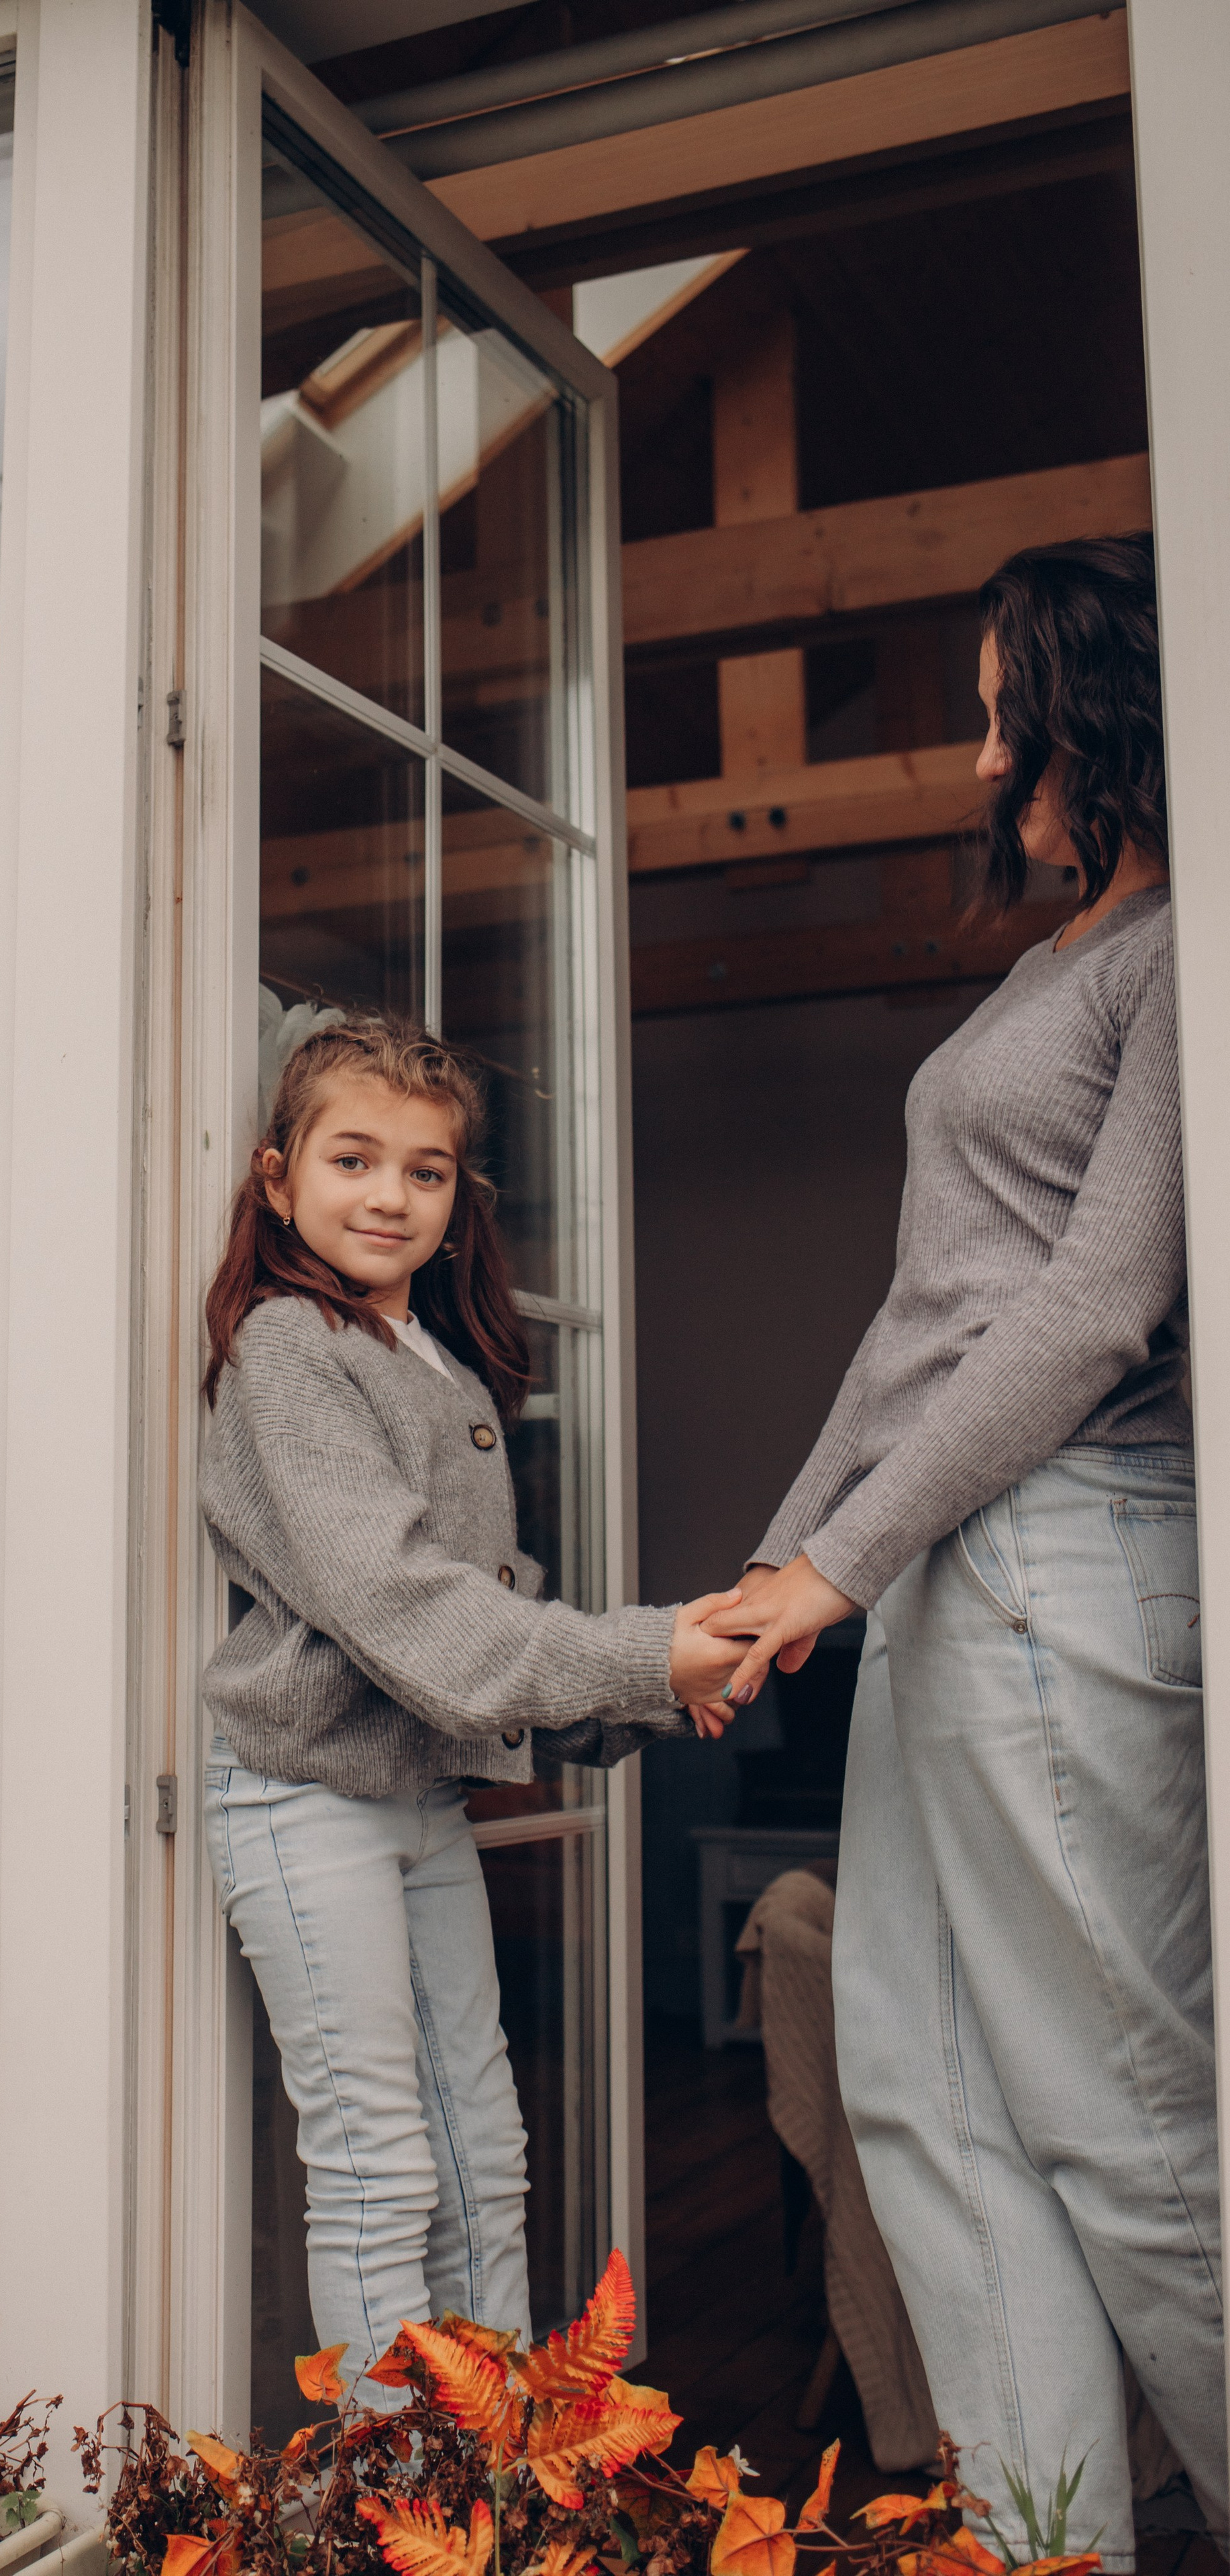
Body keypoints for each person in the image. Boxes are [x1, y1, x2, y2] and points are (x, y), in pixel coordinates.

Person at [705, 535, 1223, 2565]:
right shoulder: (1044, 970)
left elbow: (1098, 1307)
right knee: (920, 2105)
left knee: (1128, 2127)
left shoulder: (1190, 955)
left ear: (1100, 714)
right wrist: (781, 1573)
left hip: (1071, 1554)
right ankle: (1050, 2548)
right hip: (940, 1571)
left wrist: (847, 1563)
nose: (982, 742)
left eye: (1005, 701)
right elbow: (924, 1317)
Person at [198, 1016, 744, 2395]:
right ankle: (398, 2492)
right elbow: (405, 1612)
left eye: (425, 1172)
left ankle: (488, 2472)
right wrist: (642, 1654)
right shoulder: (286, 1345)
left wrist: (666, 1692)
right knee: (381, 2168)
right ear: (276, 1178)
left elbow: (479, 1619)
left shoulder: (427, 1357)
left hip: (418, 1802)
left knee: (478, 2153)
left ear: (457, 1201)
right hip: (302, 1803)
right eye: (352, 1159)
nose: (388, 1196)